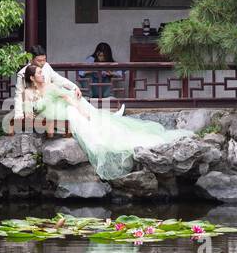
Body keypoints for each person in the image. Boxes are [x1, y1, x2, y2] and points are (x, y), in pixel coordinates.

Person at [20, 63, 187, 180]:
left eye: (42, 72)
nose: (43, 75)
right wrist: (30, 116)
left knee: (77, 115)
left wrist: (81, 110)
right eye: (39, 73)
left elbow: (67, 97)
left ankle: (99, 139)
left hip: (64, 109)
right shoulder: (28, 92)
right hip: (50, 115)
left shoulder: (50, 86)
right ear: (32, 78)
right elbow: (29, 108)